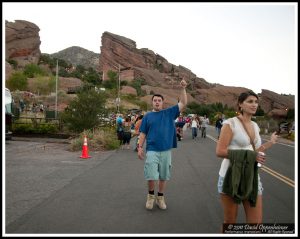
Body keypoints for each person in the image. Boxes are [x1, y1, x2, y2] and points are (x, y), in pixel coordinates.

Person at [216, 90, 278, 230]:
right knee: (230, 223)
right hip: (230, 177)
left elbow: (254, 151)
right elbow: (220, 151)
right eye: (250, 101)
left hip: (251, 177)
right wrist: (250, 156)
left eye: (256, 102)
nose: (254, 105)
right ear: (240, 104)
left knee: (255, 225)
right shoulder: (230, 123)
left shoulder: (255, 126)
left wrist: (270, 143)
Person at [138, 78, 187, 210]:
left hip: (166, 150)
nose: (157, 102)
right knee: (151, 175)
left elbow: (183, 102)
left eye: (159, 100)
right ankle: (150, 197)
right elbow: (142, 133)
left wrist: (182, 88)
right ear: (152, 102)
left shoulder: (169, 113)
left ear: (162, 102)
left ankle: (160, 197)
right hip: (152, 150)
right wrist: (139, 147)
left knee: (164, 176)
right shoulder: (147, 116)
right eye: (155, 100)